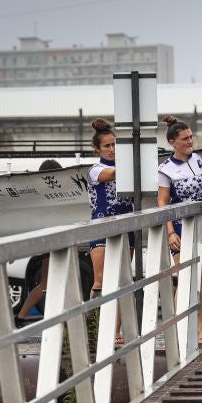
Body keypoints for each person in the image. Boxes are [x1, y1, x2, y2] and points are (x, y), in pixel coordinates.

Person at [158, 116, 202, 344]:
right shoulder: (165, 169)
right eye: (185, 139)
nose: (190, 142)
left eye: (191, 137)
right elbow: (162, 202)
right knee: (185, 279)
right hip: (181, 229)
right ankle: (179, 331)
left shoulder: (201, 159)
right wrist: (170, 231)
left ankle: (201, 330)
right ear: (172, 142)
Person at [85, 119, 135, 346]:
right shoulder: (95, 170)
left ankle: (115, 332)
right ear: (97, 149)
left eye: (115, 145)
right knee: (102, 281)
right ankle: (94, 328)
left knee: (123, 282)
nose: (112, 149)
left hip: (126, 227)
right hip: (102, 228)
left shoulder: (128, 165)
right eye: (107, 146)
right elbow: (112, 174)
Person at [15, 159, 60, 327]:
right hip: (54, 243)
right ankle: (21, 316)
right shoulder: (55, 192)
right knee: (48, 283)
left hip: (46, 242)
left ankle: (21, 316)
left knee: (45, 283)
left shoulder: (39, 191)